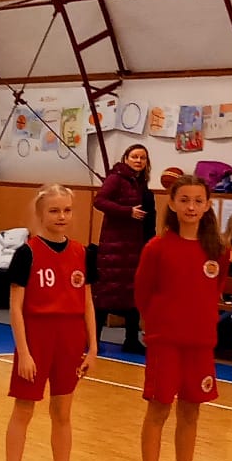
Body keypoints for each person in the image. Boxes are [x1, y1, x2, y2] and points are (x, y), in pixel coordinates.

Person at [133, 175, 226, 461]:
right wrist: (160, 324)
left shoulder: (217, 250)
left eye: (198, 201)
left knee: (192, 410)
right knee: (159, 409)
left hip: (200, 343)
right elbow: (142, 293)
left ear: (207, 205)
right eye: (184, 200)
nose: (191, 207)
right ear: (172, 203)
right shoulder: (157, 248)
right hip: (166, 342)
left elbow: (214, 290)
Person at [4, 184, 97, 461]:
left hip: (69, 339)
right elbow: (16, 307)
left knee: (62, 412)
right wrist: (24, 351)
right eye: (54, 210)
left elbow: (87, 302)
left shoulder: (82, 253)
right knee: (24, 409)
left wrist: (92, 346)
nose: (61, 216)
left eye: (67, 210)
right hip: (37, 337)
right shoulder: (27, 253)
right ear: (41, 214)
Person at [93, 144, 155, 354]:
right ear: (126, 158)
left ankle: (131, 339)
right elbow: (99, 201)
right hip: (115, 245)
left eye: (142, 158)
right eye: (135, 157)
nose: (138, 161)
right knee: (105, 292)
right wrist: (127, 211)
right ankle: (93, 338)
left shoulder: (141, 183)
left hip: (135, 245)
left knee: (133, 293)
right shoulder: (116, 178)